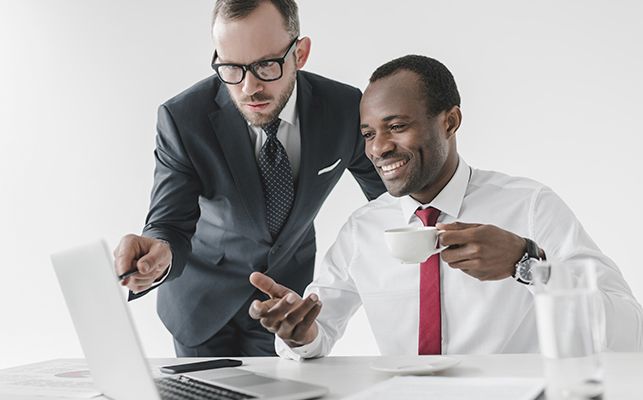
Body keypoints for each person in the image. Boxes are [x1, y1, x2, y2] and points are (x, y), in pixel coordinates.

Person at [248, 55, 643, 359]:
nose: (378, 148)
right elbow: (317, 332)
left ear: (450, 121)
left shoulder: (530, 206)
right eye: (368, 133)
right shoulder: (362, 229)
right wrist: (298, 334)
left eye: (397, 126)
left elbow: (630, 332)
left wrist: (528, 264)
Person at [113, 0, 385, 357]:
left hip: (284, 301)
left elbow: (389, 200)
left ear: (300, 54)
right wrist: (159, 253)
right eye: (231, 68)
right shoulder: (183, 119)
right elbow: (169, 223)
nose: (248, 87)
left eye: (266, 65)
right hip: (200, 305)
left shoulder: (345, 108)